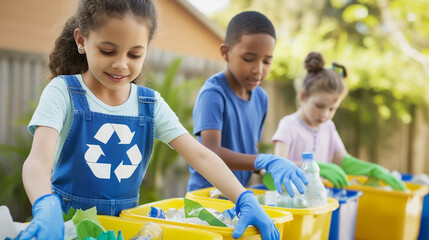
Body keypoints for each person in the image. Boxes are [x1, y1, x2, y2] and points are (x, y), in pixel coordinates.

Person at [19, 1, 281, 239]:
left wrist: (245, 199)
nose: (121, 64)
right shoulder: (63, 91)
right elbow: (38, 161)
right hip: (64, 227)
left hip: (125, 230)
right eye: (108, 51)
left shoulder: (149, 103)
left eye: (134, 54)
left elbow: (201, 156)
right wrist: (45, 205)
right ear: (81, 40)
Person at [186, 11, 308, 197]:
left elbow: (250, 152)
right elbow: (210, 151)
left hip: (239, 196)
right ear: (225, 53)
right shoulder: (213, 94)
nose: (258, 70)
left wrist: (274, 168)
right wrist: (264, 161)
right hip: (207, 198)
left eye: (267, 61)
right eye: (249, 59)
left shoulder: (261, 98)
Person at [272, 51, 406, 190]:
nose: (324, 114)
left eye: (332, 109)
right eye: (319, 106)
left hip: (319, 200)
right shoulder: (289, 125)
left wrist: (373, 170)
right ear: (303, 95)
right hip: (291, 200)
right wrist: (315, 167)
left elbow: (344, 162)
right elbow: (278, 164)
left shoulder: (328, 127)